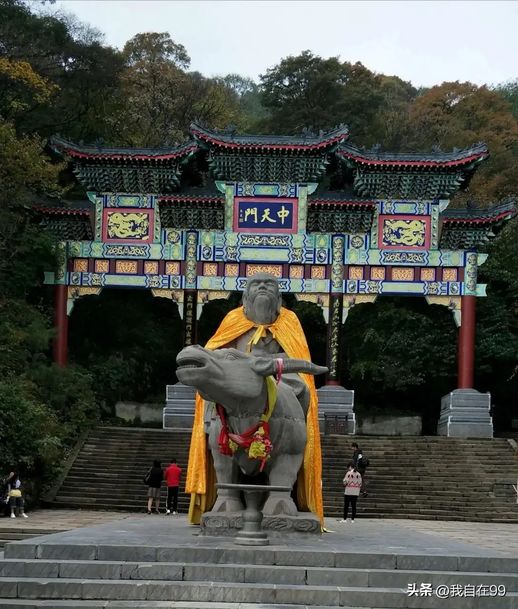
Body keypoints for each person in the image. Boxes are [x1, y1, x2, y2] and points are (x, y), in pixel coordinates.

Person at [186, 273, 324, 525]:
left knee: (301, 389)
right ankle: (224, 485)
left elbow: (295, 353)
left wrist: (268, 364)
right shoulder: (233, 320)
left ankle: (295, 437)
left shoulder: (289, 321)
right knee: (213, 395)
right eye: (256, 284)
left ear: (279, 298)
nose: (262, 287)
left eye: (269, 284)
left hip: (279, 376)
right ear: (245, 297)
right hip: (236, 380)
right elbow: (217, 352)